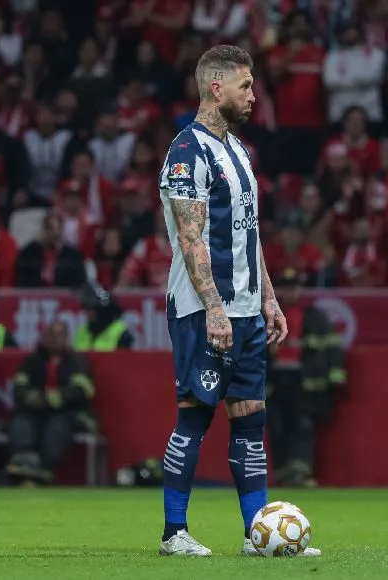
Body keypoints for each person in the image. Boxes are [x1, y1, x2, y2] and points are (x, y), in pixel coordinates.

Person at [157, 45, 320, 557]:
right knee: (194, 417)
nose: (254, 95)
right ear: (216, 88)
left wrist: (268, 298)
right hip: (203, 310)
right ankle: (174, 533)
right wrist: (213, 307)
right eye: (246, 86)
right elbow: (191, 238)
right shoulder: (188, 152)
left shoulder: (240, 152)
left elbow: (248, 233)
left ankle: (257, 535)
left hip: (248, 311)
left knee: (250, 423)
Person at [266, 268, 346, 488]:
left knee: (302, 425)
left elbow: (332, 347)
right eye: (285, 287)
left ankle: (299, 474)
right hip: (276, 380)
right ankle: (282, 473)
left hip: (304, 381)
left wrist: (335, 374)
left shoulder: (315, 317)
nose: (289, 292)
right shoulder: (267, 316)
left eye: (293, 287)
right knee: (277, 426)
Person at [6, 321, 96, 486]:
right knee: (21, 422)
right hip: (35, 410)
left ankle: (44, 471)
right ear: (44, 337)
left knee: (56, 426)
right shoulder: (32, 360)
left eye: (60, 336)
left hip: (68, 413)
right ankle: (23, 466)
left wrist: (54, 398)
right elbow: (19, 387)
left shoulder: (77, 362)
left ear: (67, 338)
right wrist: (33, 398)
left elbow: (81, 391)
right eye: (52, 335)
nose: (56, 340)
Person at [72, 282, 134, 351]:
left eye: (90, 308)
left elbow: (124, 357)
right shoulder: (82, 332)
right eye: (86, 308)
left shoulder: (121, 333)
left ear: (100, 310)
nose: (86, 312)